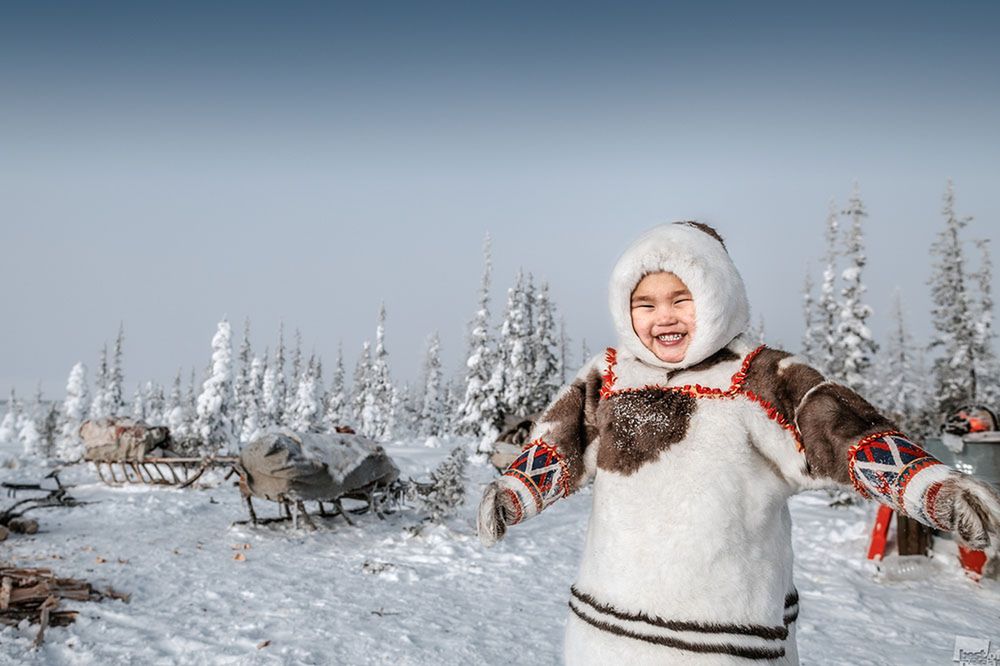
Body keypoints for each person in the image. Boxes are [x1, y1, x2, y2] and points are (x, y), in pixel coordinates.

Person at [476, 221, 1000, 665]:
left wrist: (933, 488)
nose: (664, 316)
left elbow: (848, 434)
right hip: (606, 628)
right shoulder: (610, 375)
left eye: (682, 299)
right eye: (646, 303)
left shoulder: (762, 377)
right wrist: (514, 493)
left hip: (726, 634)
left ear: (717, 298)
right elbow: (560, 443)